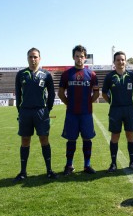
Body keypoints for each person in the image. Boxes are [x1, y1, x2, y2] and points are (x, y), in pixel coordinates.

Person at [14, 47, 57, 182]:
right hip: (25, 112)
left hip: (41, 111)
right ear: (27, 58)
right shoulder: (21, 74)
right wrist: (20, 111)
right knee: (25, 140)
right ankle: (23, 172)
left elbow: (52, 94)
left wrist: (47, 110)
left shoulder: (46, 75)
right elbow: (18, 94)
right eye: (31, 57)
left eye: (35, 57)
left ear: (39, 58)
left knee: (44, 139)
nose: (33, 59)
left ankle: (49, 170)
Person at [58, 45, 99, 175]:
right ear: (73, 57)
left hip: (86, 114)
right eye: (77, 56)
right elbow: (60, 93)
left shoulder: (92, 75)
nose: (79, 58)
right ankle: (69, 165)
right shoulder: (66, 74)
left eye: (82, 56)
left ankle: (87, 165)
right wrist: (69, 103)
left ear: (85, 58)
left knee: (87, 139)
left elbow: (97, 94)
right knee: (71, 140)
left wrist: (87, 102)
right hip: (72, 114)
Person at [102, 51, 133, 173]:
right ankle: (113, 164)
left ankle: (132, 162)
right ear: (114, 62)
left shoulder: (131, 76)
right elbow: (104, 93)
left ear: (126, 61)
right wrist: (112, 103)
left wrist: (130, 101)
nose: (120, 62)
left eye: (122, 59)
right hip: (115, 110)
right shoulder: (110, 77)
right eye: (118, 60)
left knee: (130, 135)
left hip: (129, 109)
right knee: (115, 136)